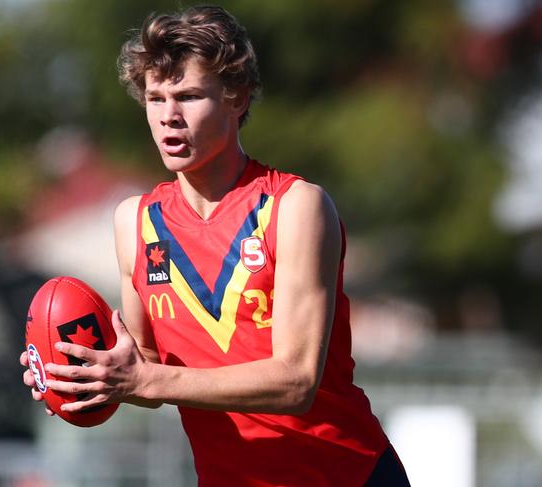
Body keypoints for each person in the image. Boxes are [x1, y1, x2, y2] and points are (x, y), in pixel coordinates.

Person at [20, 6, 410, 486]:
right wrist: (89, 377)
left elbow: (297, 381)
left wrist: (146, 380)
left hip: (346, 475)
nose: (169, 117)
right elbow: (144, 372)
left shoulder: (294, 207)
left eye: (188, 96)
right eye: (155, 98)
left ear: (236, 97)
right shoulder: (135, 223)